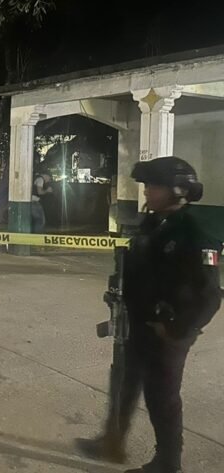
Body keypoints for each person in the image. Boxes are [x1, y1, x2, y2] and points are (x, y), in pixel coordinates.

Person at [76, 156, 222, 473]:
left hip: (167, 331)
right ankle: (112, 442)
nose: (146, 192)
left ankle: (168, 463)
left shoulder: (194, 231)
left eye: (153, 186)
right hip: (138, 324)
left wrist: (176, 330)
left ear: (178, 189)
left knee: (161, 396)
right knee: (124, 383)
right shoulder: (154, 223)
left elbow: (210, 296)